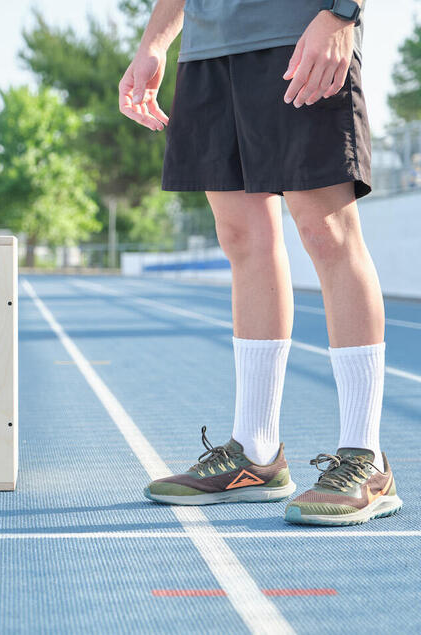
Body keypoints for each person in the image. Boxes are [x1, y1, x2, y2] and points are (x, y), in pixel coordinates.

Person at [120, 0, 402, 525]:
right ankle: (255, 453)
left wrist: (342, 14)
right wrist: (154, 43)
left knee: (326, 233)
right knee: (241, 239)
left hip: (300, 33)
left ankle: (365, 458)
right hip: (208, 49)